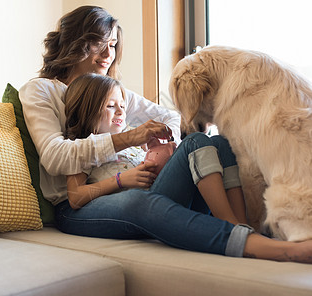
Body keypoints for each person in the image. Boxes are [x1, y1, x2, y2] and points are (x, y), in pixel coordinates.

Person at [19, 5, 312, 265]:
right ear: (76, 42)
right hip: (77, 206)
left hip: (131, 182)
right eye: (99, 44)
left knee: (212, 142)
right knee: (140, 203)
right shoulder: (41, 91)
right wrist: (129, 139)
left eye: (113, 45)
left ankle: (241, 225)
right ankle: (280, 251)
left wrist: (160, 148)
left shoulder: (114, 92)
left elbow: (174, 118)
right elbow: (55, 155)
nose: (108, 55)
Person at [64, 73, 247, 226]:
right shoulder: (84, 147)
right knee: (195, 141)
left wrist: (162, 152)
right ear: (86, 110)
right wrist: (120, 180)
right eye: (111, 106)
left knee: (219, 143)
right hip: (149, 205)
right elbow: (75, 197)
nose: (120, 112)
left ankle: (243, 223)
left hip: (169, 195)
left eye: (122, 106)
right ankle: (228, 224)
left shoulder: (132, 140)